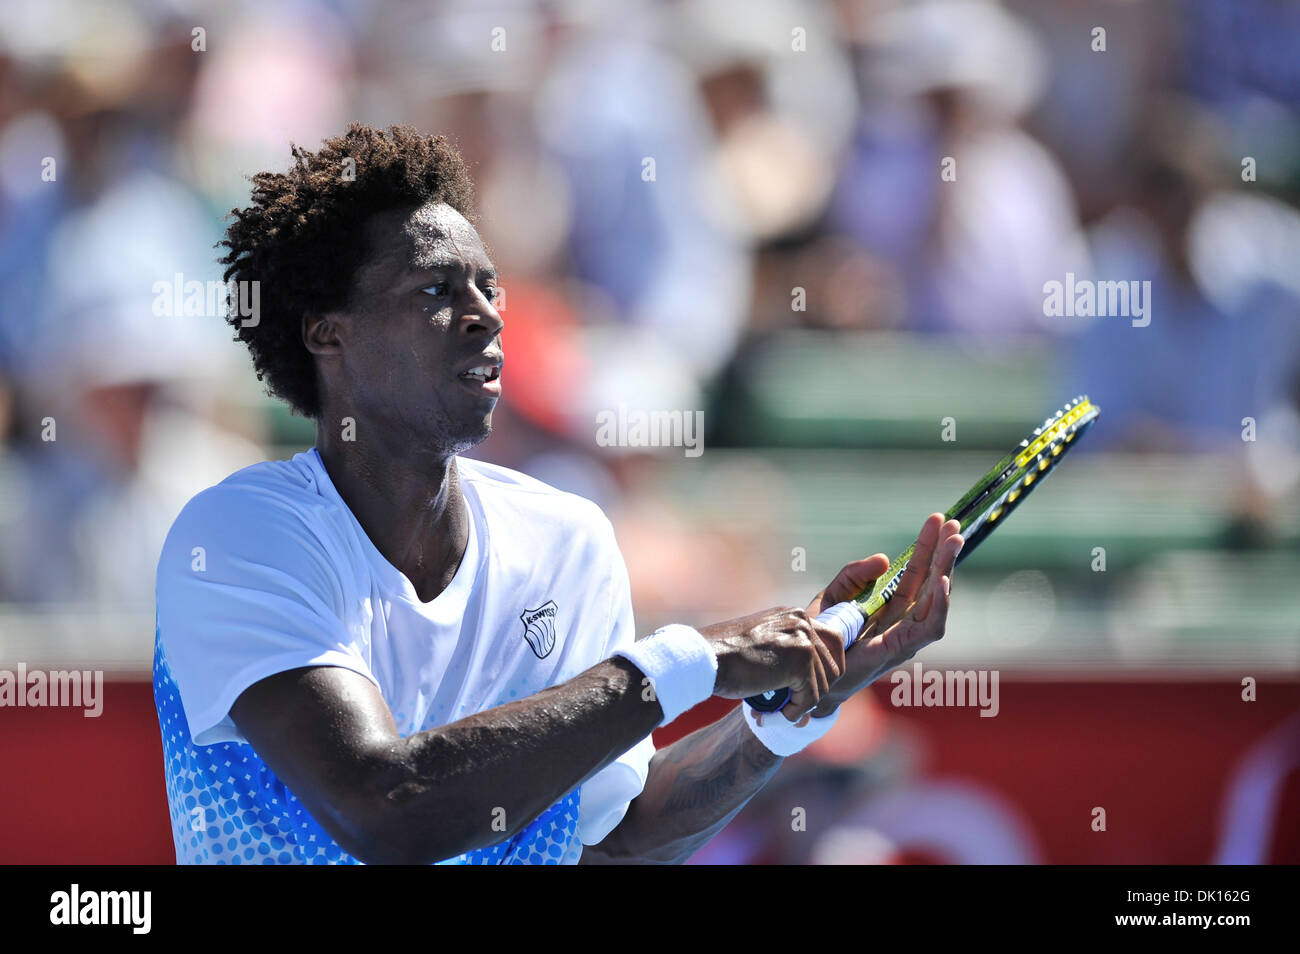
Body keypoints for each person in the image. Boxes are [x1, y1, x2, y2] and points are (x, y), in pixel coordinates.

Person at [153, 124, 962, 865]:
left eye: (486, 287)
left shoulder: (567, 539)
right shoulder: (239, 535)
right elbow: (385, 809)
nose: (485, 316)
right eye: (435, 291)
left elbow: (618, 837)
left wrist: (783, 716)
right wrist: (690, 660)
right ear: (328, 331)